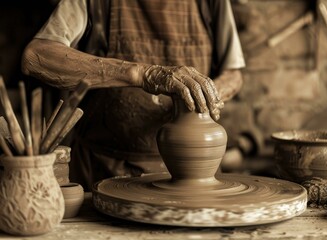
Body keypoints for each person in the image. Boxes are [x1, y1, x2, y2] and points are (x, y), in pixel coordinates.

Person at [21, 0, 245, 190]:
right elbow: (36, 57)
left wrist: (205, 95)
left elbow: (233, 74)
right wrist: (143, 73)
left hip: (197, 179)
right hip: (104, 172)